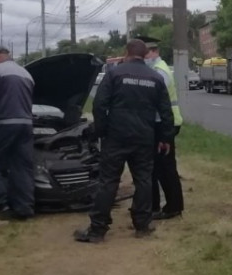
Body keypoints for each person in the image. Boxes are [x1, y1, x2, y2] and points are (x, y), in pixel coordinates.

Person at [74, 39, 173, 244]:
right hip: (144, 137)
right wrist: (165, 137)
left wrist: (101, 131)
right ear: (146, 55)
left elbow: (99, 105)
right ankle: (142, 226)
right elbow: (165, 112)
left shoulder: (114, 74)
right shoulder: (155, 77)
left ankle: (97, 230)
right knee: (144, 180)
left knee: (108, 181)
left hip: (116, 136)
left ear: (126, 52)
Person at [0, 46, 35, 220]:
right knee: (22, 167)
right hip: (26, 124)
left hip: (3, 123)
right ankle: (24, 208)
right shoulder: (26, 73)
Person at [143, 36, 184, 221]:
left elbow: (153, 100)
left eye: (145, 54)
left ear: (154, 52)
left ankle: (173, 207)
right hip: (163, 123)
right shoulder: (156, 69)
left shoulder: (160, 72)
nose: (144, 58)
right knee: (159, 167)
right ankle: (162, 206)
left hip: (165, 124)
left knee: (165, 168)